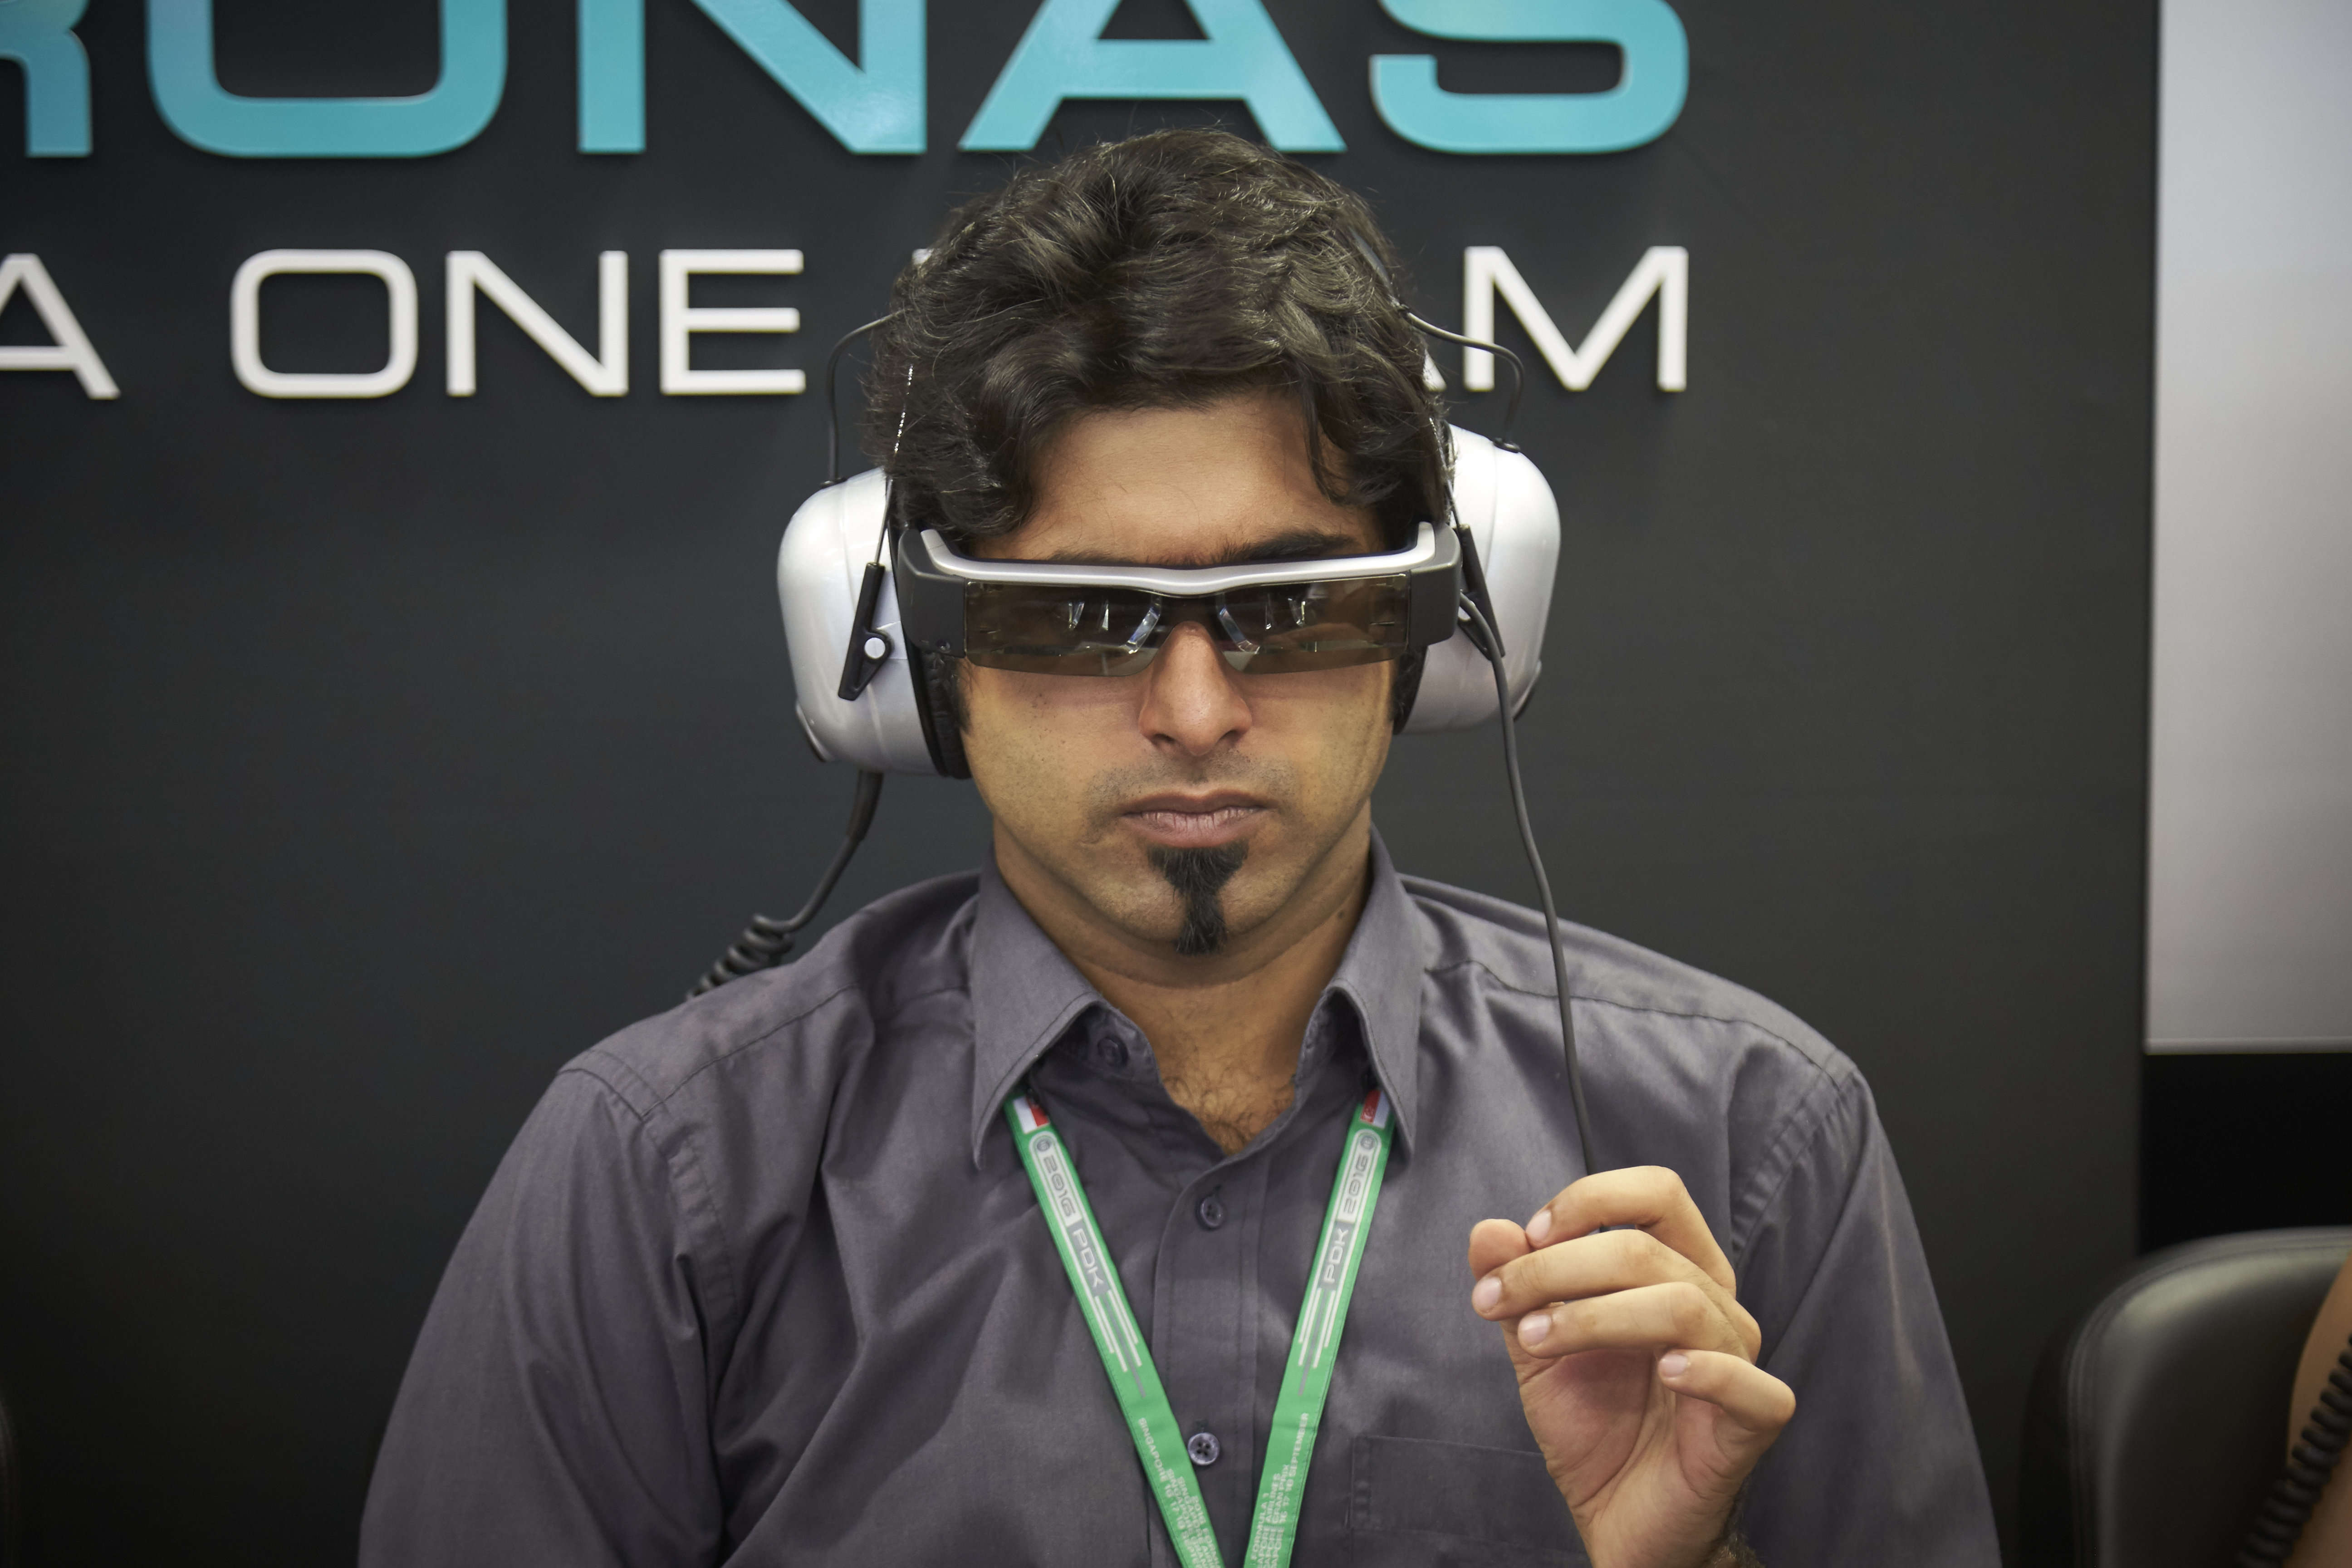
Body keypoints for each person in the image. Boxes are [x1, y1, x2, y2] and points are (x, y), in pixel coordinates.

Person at [358, 129, 1998, 1567]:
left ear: (1438, 636)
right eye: (1081, 617)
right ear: (919, 660)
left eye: (1291, 606)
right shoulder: (665, 1174)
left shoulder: (1752, 1139)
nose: (1197, 711)